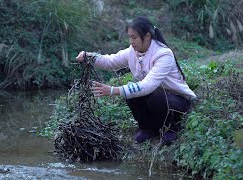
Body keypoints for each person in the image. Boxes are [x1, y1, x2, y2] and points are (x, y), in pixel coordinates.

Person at [76, 16, 196, 144]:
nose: (131, 41)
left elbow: (148, 85)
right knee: (133, 95)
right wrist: (89, 56)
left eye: (134, 37)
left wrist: (113, 90)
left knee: (155, 97)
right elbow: (110, 61)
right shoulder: (131, 52)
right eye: (130, 37)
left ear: (148, 36)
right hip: (156, 96)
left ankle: (172, 127)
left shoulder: (163, 54)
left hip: (177, 101)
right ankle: (148, 128)